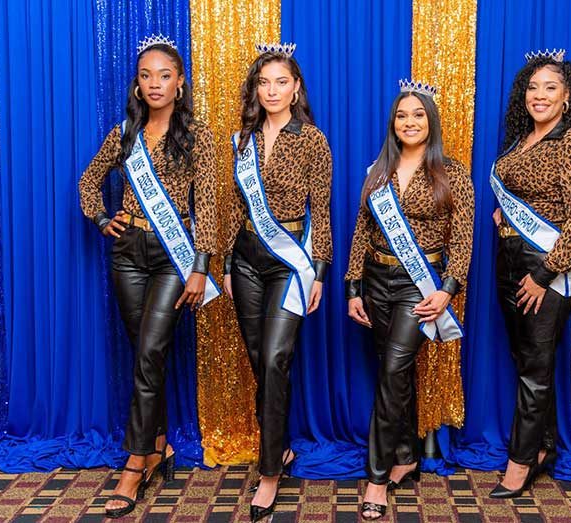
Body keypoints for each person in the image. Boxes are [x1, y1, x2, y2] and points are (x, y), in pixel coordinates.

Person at [78, 34, 219, 518]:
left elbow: (209, 208)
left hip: (171, 258)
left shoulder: (197, 136)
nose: (155, 83)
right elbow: (87, 180)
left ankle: (135, 464)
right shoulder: (124, 134)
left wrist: (200, 268)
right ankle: (158, 442)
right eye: (146, 76)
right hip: (127, 253)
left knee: (152, 351)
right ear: (137, 86)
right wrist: (100, 218)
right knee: (145, 354)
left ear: (179, 83)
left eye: (164, 75)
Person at [345, 79, 474, 520]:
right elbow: (361, 230)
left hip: (420, 287)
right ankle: (406, 454)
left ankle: (377, 478)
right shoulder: (378, 170)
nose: (410, 121)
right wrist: (352, 287)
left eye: (418, 114)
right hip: (376, 281)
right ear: (393, 123)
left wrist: (448, 289)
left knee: (394, 368)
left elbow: (464, 240)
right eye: (402, 115)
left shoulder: (452, 172)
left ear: (431, 122)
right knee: (391, 372)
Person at [222, 42, 332, 522]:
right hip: (245, 258)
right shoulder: (242, 138)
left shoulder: (313, 139)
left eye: (281, 81)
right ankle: (280, 448)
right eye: (264, 82)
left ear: (296, 87)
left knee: (275, 358)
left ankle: (269, 474)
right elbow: (232, 209)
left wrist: (321, 273)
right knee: (257, 359)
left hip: (290, 262)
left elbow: (322, 211)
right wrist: (224, 263)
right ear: (256, 88)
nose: (272, 90)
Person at [489, 50, 571, 498]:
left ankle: (519, 462)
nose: (539, 95)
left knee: (535, 365)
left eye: (550, 87)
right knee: (526, 360)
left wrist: (544, 274)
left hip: (545, 266)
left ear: (567, 96)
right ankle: (542, 446)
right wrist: (503, 214)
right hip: (509, 257)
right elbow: (521, 192)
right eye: (533, 87)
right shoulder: (521, 141)